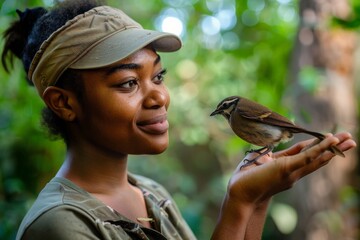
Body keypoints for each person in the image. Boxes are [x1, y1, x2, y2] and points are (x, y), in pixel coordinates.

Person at [1, 0, 356, 239]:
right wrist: (239, 204)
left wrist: (255, 197)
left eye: (158, 77)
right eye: (128, 83)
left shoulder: (152, 194)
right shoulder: (61, 225)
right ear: (64, 103)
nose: (160, 97)